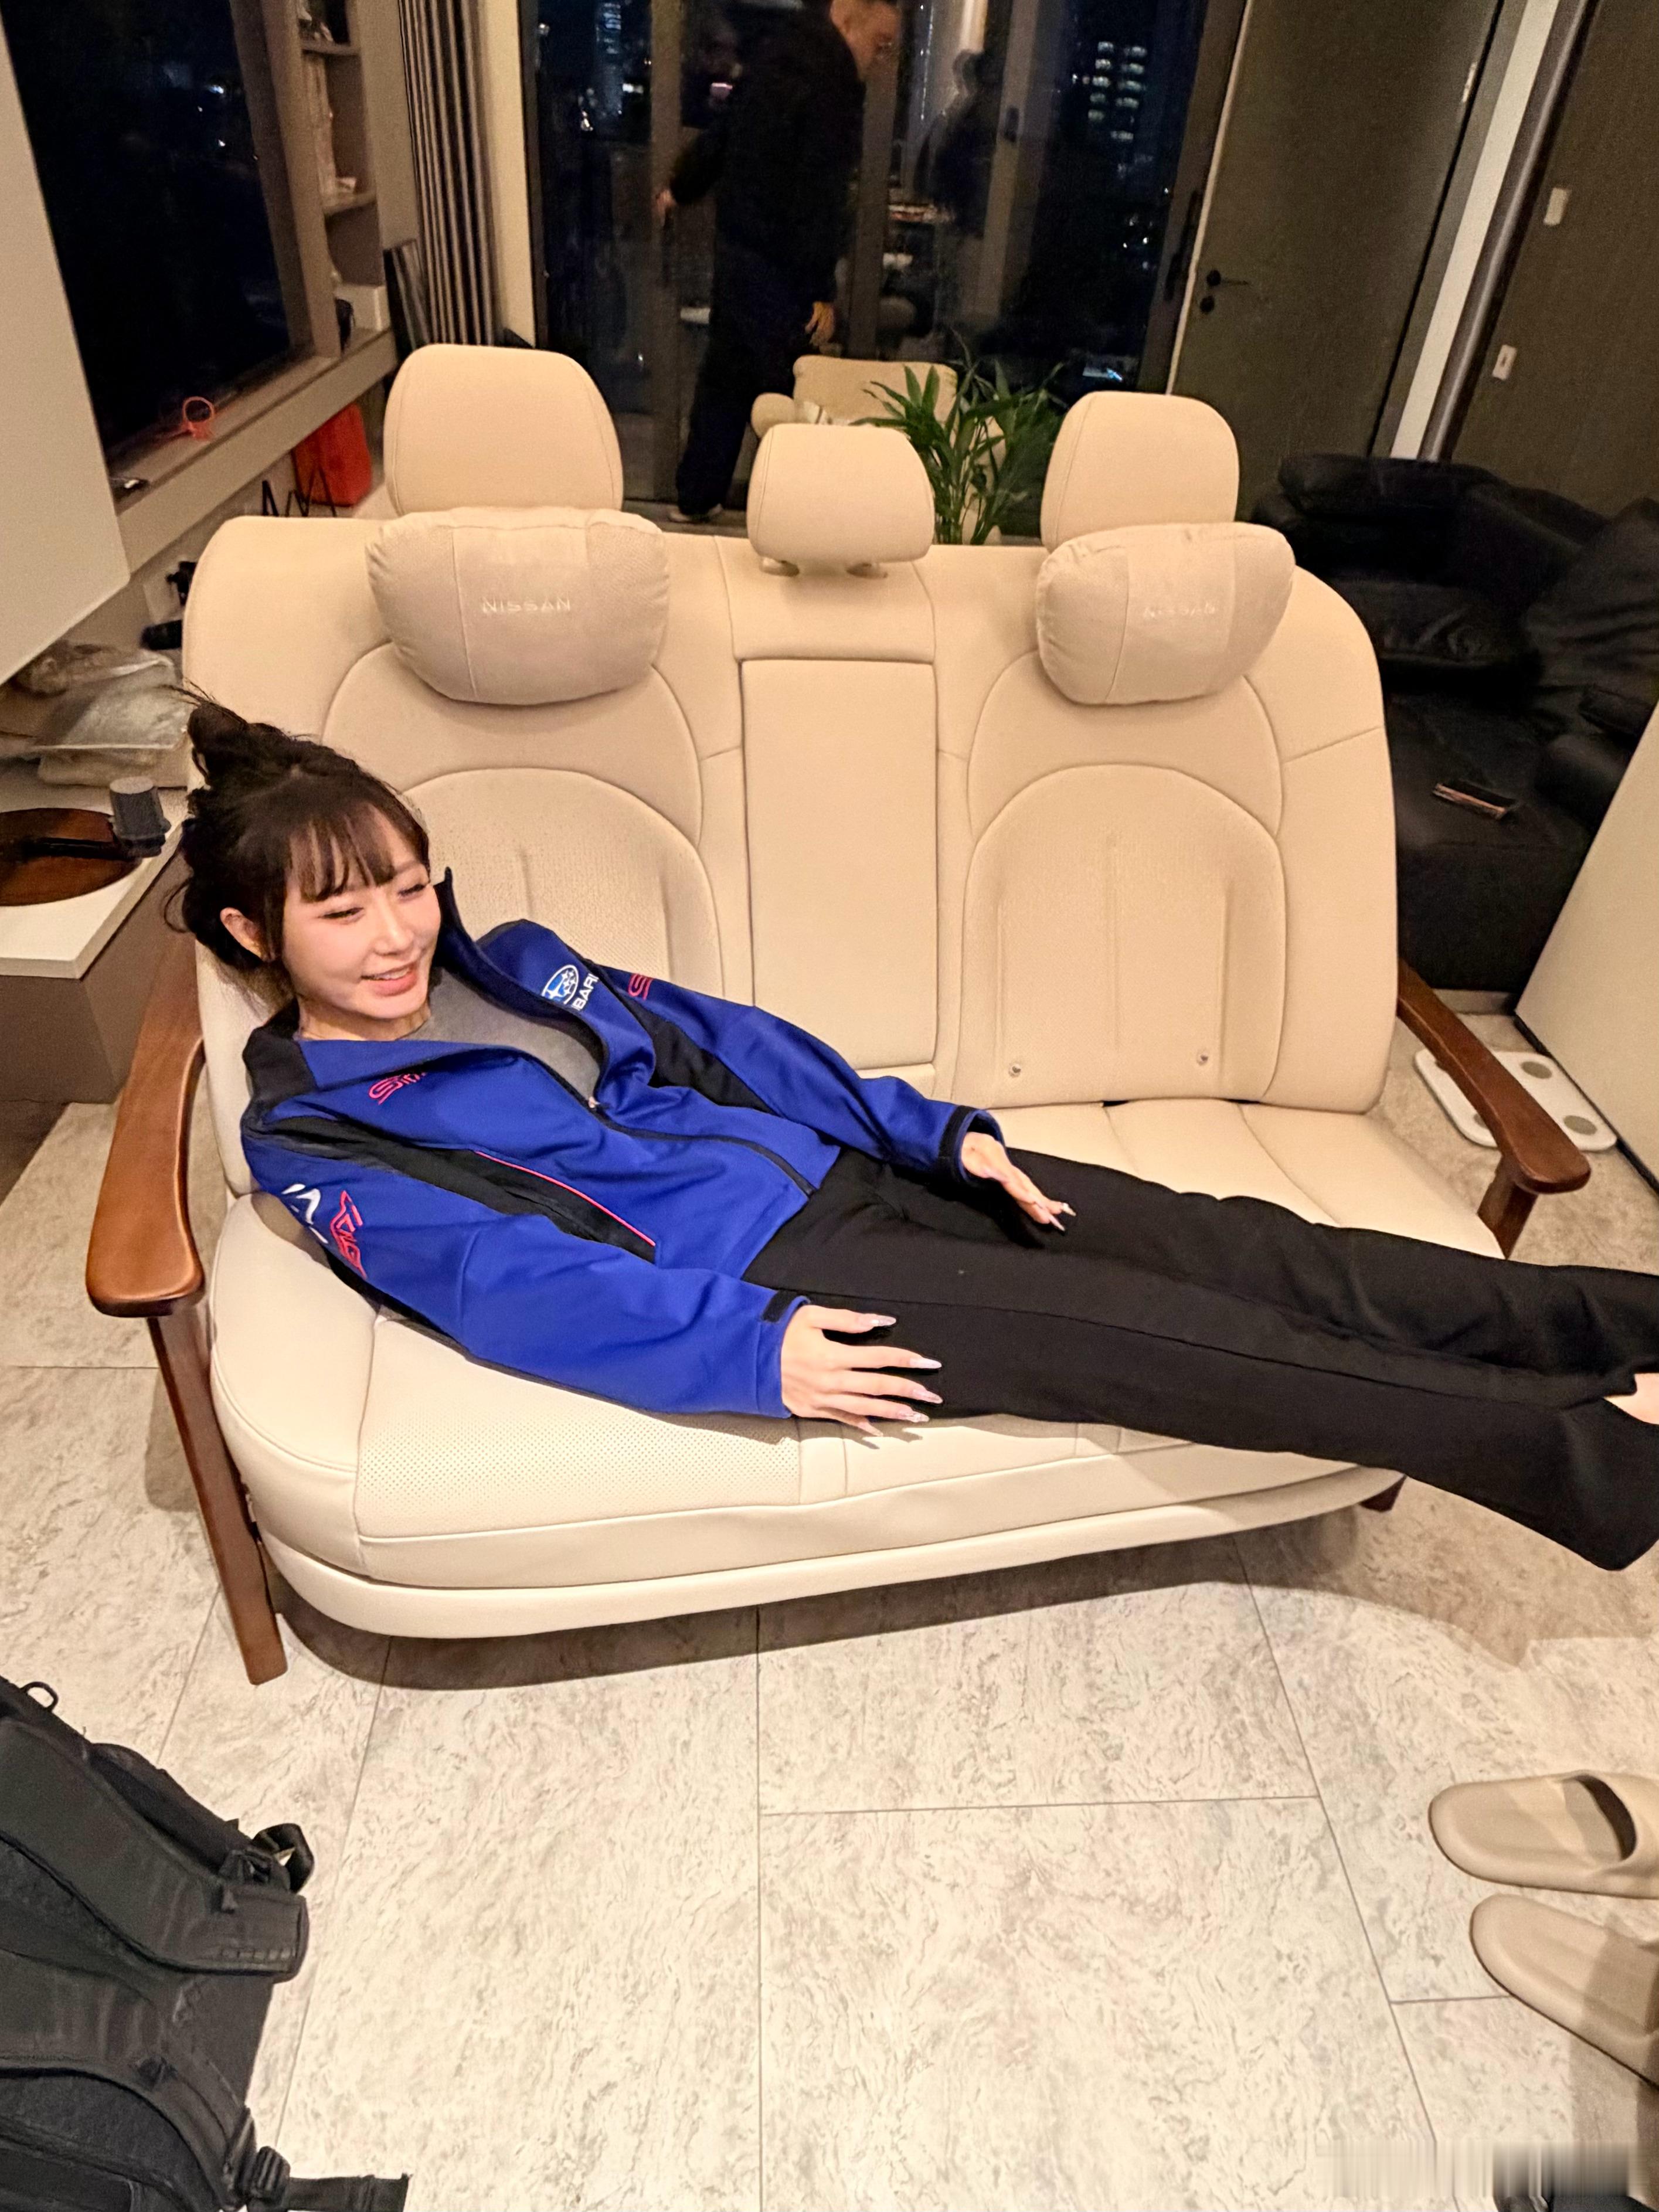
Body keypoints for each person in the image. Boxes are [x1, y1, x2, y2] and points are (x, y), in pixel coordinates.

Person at [178, 706, 1659, 1571]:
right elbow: (499, 1281)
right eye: (341, 908)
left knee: (1258, 1252)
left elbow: (737, 1045)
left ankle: (1617, 1319)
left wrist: (940, 1135)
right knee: (1191, 1340)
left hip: (864, 1170)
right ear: (254, 931)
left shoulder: (520, 961)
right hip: (783, 1274)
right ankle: (1597, 1458)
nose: (396, 932)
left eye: (408, 885)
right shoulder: (319, 1133)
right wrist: (744, 1353)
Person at [655, 0, 900, 521]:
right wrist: (821, 291)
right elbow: (819, 196)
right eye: (880, 46)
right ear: (848, 18)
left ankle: (697, 497)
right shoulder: (832, 85)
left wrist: (682, 186)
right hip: (782, 266)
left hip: (739, 247)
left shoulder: (774, 56)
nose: (880, 62)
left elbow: (725, 134)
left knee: (726, 377)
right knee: (791, 387)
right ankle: (796, 515)